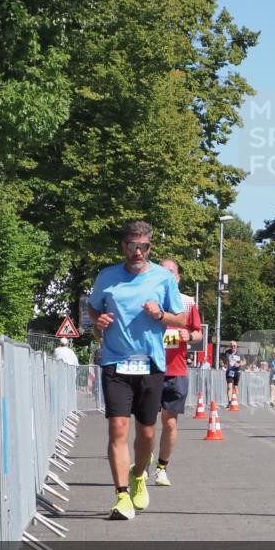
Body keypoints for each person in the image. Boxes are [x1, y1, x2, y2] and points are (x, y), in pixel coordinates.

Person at [88, 221, 185, 520]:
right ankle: (121, 496)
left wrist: (161, 315)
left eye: (143, 246)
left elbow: (180, 319)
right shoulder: (107, 277)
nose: (137, 251)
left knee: (146, 433)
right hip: (115, 361)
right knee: (117, 428)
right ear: (123, 247)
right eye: (132, 246)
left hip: (151, 363)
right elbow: (93, 308)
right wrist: (98, 322)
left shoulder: (162, 278)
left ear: (150, 248)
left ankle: (139, 475)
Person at [154, 259, 202, 487]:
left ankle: (162, 468)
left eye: (171, 272)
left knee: (170, 422)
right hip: (150, 369)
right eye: (162, 271)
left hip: (176, 370)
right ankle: (142, 464)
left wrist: (189, 337)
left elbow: (198, 334)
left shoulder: (187, 303)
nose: (167, 275)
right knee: (145, 423)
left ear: (178, 277)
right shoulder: (149, 300)